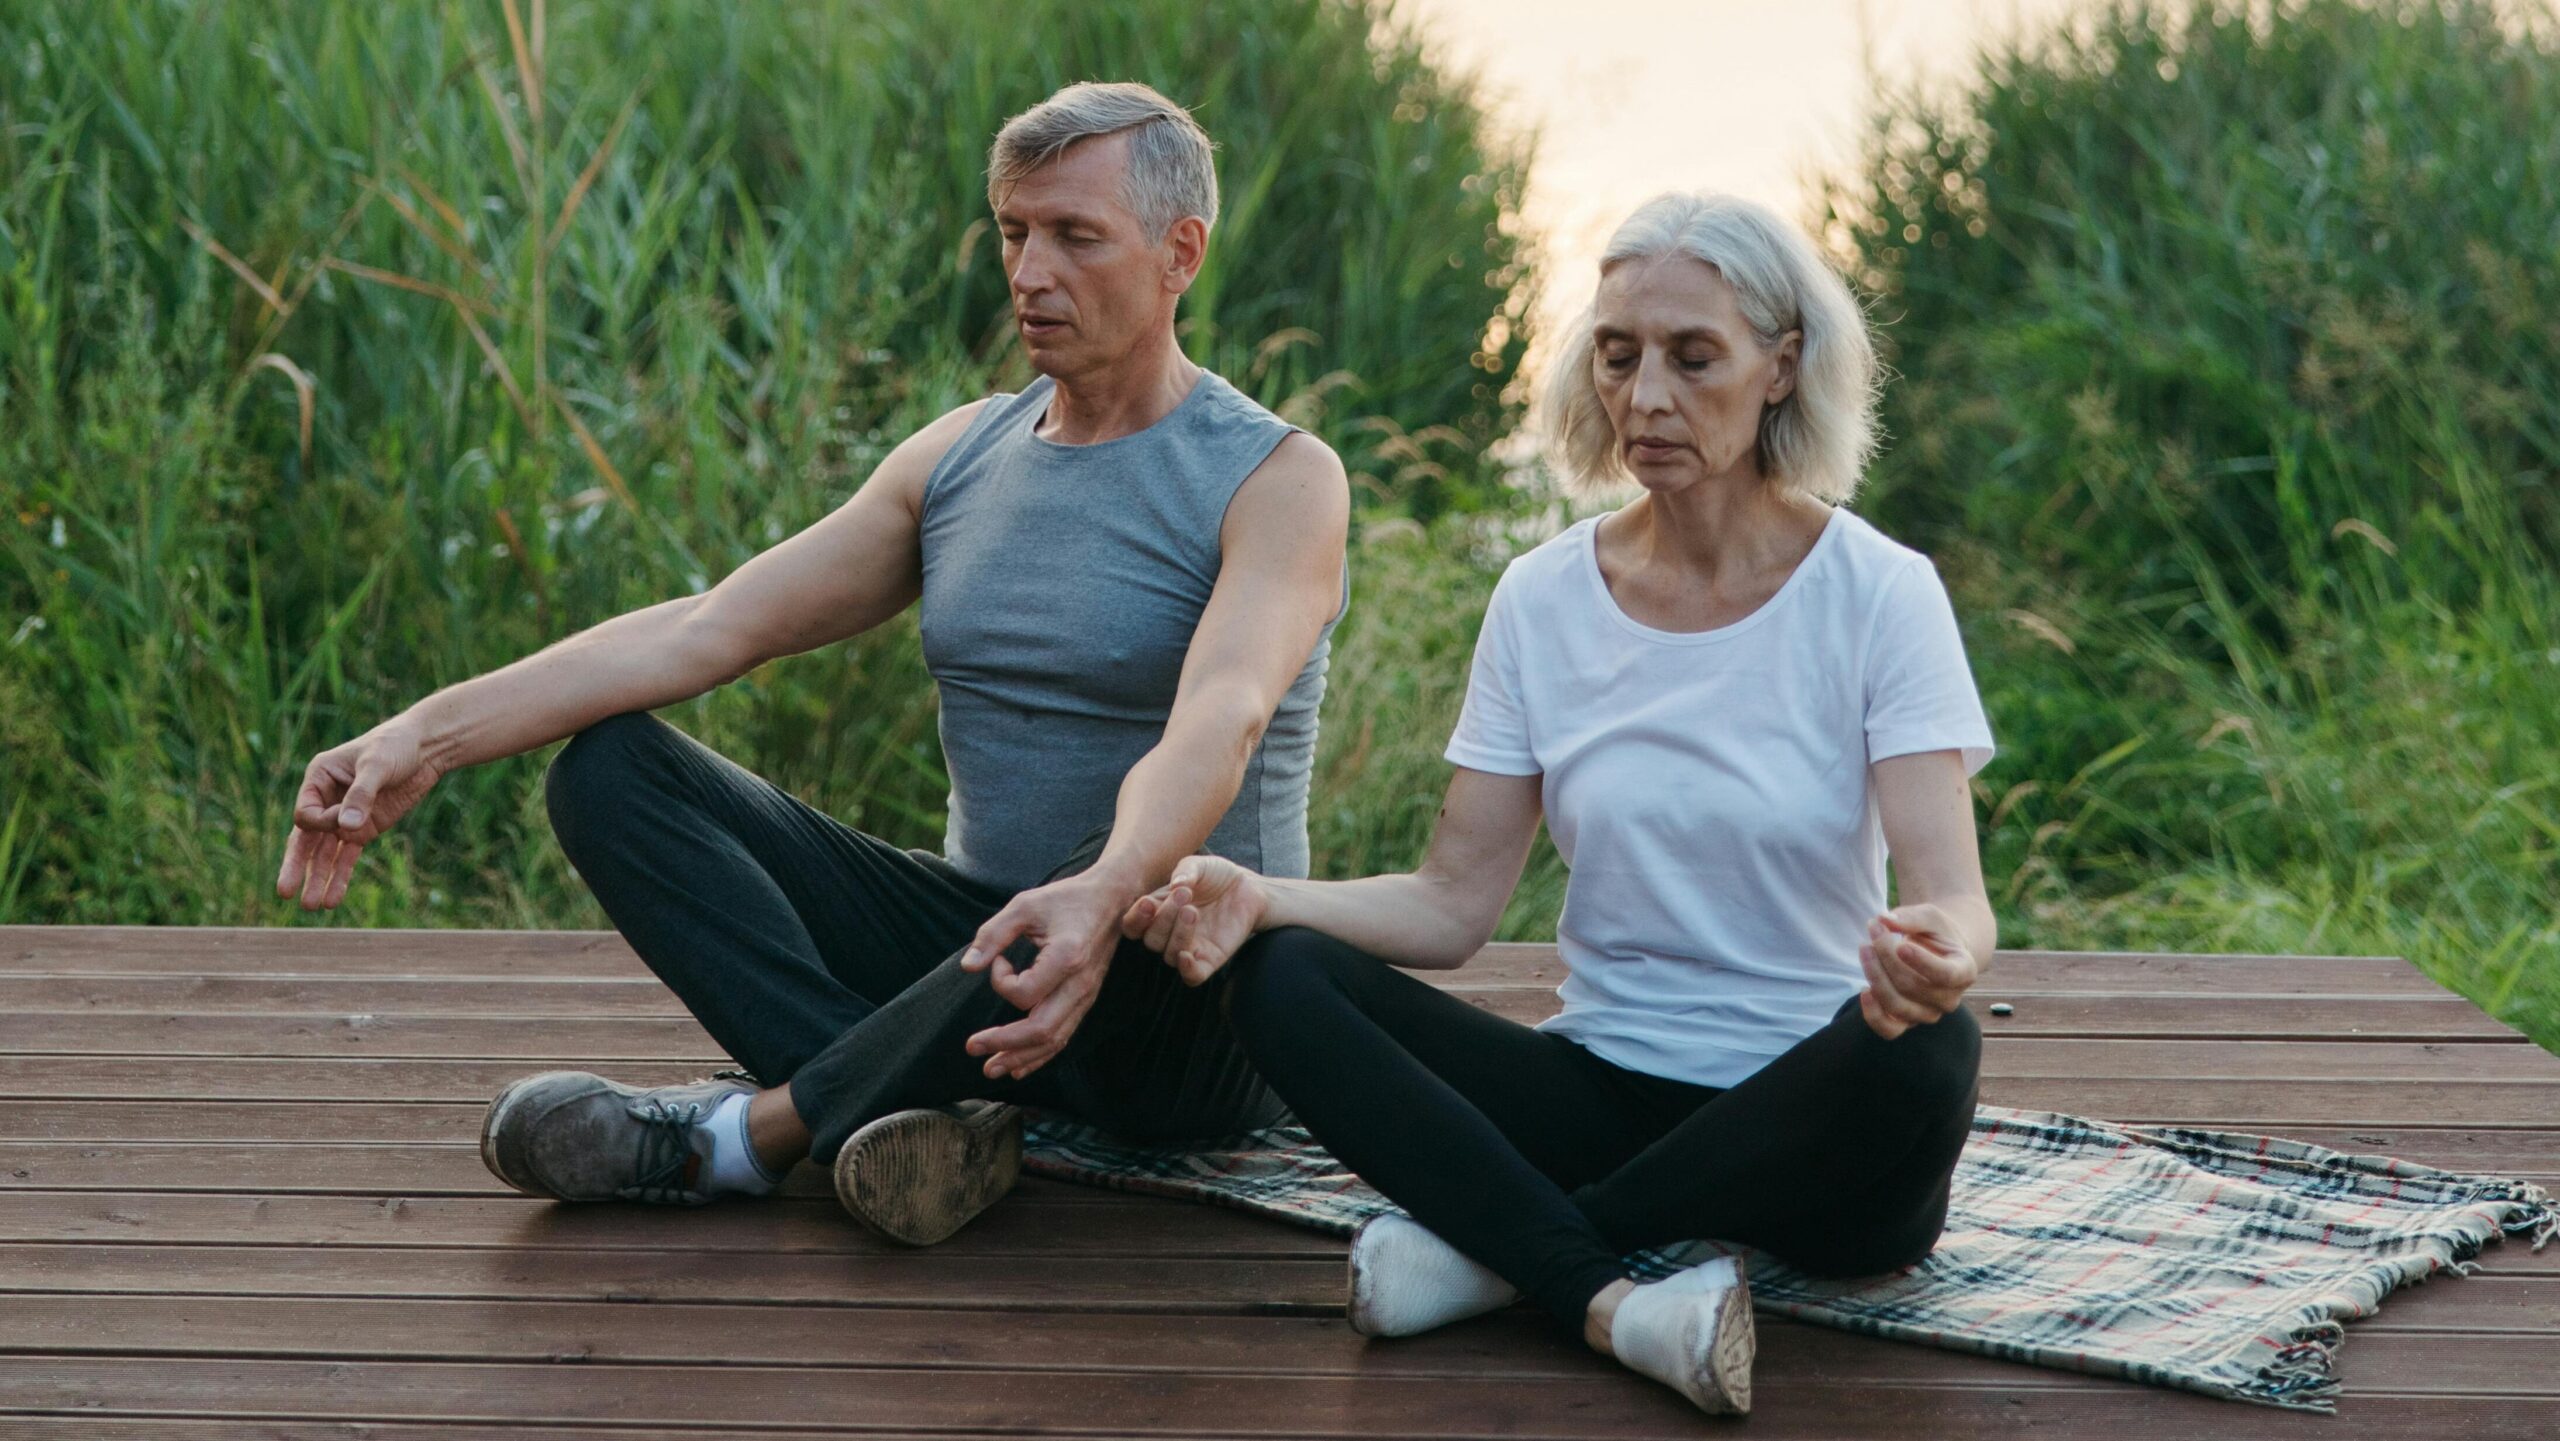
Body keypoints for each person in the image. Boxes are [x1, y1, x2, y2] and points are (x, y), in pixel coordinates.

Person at [272, 82, 1351, 1246]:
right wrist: (421, 734)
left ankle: (742, 1140)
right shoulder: (960, 456)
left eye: (1075, 237)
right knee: (611, 771)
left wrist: (1101, 891)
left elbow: (1224, 721)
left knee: (1137, 867)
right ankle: (907, 1110)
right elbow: (709, 627)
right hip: (983, 958)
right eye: (1012, 231)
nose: (1030, 272)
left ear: (1180, 251)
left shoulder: (1276, 480)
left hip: (1178, 995)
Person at [1117, 191, 1993, 1417]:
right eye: (1618, 355)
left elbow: (1953, 896)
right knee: (1283, 975)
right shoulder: (1541, 598)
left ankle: (1512, 1259)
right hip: (1602, 1101)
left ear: (1782, 365)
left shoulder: (1879, 593)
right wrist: (1259, 895)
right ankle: (1612, 1297)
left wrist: (1940, 954)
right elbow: (1451, 903)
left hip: (1819, 1132)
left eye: (1695, 360)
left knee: (1935, 1047)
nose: (1646, 399)